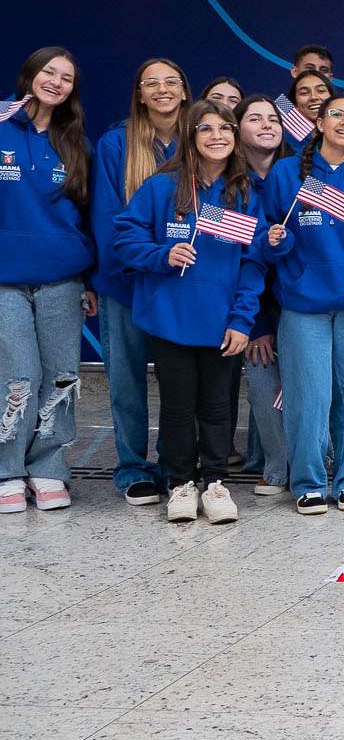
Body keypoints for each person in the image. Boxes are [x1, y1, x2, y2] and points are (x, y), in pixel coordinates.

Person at [112, 99, 264, 523]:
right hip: (171, 319)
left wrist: (242, 320)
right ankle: (180, 483)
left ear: (235, 137)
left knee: (217, 406)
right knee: (177, 406)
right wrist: (162, 255)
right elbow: (125, 240)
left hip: (222, 322)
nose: (217, 136)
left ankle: (214, 483)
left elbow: (253, 264)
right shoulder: (162, 187)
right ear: (190, 136)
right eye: (206, 128)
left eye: (225, 128)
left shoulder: (245, 192)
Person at [261, 90, 344, 514]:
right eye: (337, 114)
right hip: (303, 306)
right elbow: (265, 237)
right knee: (308, 397)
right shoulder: (286, 175)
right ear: (319, 123)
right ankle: (309, 481)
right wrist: (276, 241)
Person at [0, 47, 95, 515]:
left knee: (61, 376)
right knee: (17, 375)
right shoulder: (0, 125)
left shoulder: (76, 143)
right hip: (5, 281)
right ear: (29, 75)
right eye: (48, 72)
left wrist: (90, 280)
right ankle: (8, 470)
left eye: (66, 77)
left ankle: (50, 466)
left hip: (62, 279)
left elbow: (89, 216)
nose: (56, 81)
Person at [91, 56, 188, 506]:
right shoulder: (116, 143)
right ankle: (132, 467)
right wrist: (137, 267)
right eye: (152, 83)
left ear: (184, 90)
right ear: (140, 94)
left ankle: (174, 464)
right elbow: (108, 218)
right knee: (127, 380)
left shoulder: (197, 139)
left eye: (171, 82)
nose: (162, 89)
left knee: (177, 381)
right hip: (126, 283)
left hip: (178, 287)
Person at [233, 96, 292, 501]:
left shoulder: (299, 175)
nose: (267, 125)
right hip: (253, 305)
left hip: (301, 299)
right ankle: (275, 467)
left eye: (273, 118)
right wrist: (256, 324)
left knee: (305, 388)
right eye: (255, 118)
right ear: (237, 128)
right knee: (262, 381)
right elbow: (240, 259)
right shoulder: (229, 184)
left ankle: (313, 460)